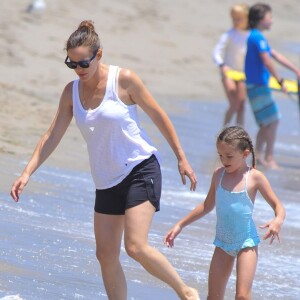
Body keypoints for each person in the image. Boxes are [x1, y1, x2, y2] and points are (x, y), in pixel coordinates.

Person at [10, 20, 200, 300]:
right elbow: (52, 134)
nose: (79, 70)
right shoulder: (71, 93)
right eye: (72, 64)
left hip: (140, 167)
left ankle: (185, 292)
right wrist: (27, 172)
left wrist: (181, 158)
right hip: (106, 179)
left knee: (135, 246)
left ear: (99, 55)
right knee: (105, 254)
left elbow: (158, 115)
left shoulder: (123, 80)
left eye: (84, 63)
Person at [164, 126, 285, 300]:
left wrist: (278, 220)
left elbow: (278, 206)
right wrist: (179, 225)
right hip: (223, 243)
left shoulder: (255, 177)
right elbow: (206, 206)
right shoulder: (218, 175)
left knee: (242, 296)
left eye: (229, 156)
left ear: (245, 153)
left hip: (246, 242)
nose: (223, 160)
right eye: (220, 155)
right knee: (213, 296)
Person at [245, 3, 300, 169]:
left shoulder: (257, 36)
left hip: (257, 85)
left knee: (266, 122)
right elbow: (267, 60)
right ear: (261, 19)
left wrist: (295, 69)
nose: (272, 20)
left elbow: (275, 55)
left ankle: (259, 156)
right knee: (273, 120)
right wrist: (280, 80)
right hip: (258, 85)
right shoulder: (257, 37)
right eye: (269, 17)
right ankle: (268, 158)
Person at [213, 4, 249, 126]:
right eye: (233, 18)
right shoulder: (229, 34)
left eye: (239, 19)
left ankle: (240, 134)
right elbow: (216, 51)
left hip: (243, 74)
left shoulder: (251, 35)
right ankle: (224, 129)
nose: (235, 21)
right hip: (229, 72)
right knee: (234, 104)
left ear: (247, 19)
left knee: (242, 106)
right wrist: (222, 65)